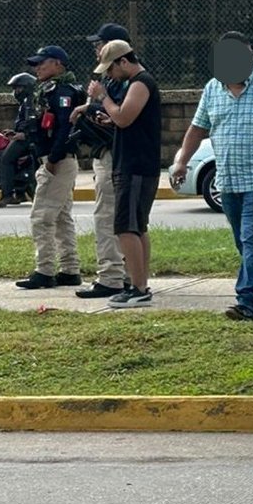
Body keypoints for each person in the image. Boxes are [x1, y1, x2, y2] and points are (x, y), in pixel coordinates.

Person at [169, 33, 253, 321]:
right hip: (227, 182)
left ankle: (248, 302)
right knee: (243, 243)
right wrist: (181, 162)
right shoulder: (213, 88)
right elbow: (198, 128)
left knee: (251, 241)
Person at [88, 39, 161, 308]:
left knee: (126, 227)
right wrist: (111, 118)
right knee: (137, 226)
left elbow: (123, 117)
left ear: (123, 61)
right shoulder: (137, 83)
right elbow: (126, 120)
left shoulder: (141, 82)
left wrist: (103, 98)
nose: (109, 75)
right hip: (135, 163)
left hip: (135, 165)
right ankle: (139, 284)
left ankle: (138, 288)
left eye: (111, 68)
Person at [69, 23, 131, 299]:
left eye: (100, 44)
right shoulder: (120, 78)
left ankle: (110, 277)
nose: (96, 50)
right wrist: (89, 106)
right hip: (114, 154)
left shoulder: (121, 80)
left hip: (112, 153)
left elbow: (119, 115)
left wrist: (97, 100)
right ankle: (128, 275)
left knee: (107, 217)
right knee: (124, 219)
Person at [15, 46, 83, 290]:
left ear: (57, 64)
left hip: (58, 162)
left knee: (41, 217)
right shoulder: (49, 90)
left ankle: (44, 271)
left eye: (42, 63)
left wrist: (53, 158)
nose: (37, 68)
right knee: (62, 217)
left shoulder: (62, 92)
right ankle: (69, 269)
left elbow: (65, 127)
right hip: (56, 160)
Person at [0, 73, 38, 207]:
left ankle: (7, 195)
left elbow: (33, 122)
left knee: (6, 160)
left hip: (28, 139)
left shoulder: (31, 101)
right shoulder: (27, 101)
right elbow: (25, 122)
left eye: (18, 88)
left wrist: (24, 134)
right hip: (26, 137)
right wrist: (15, 132)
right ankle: (20, 192)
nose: (16, 91)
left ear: (27, 87)